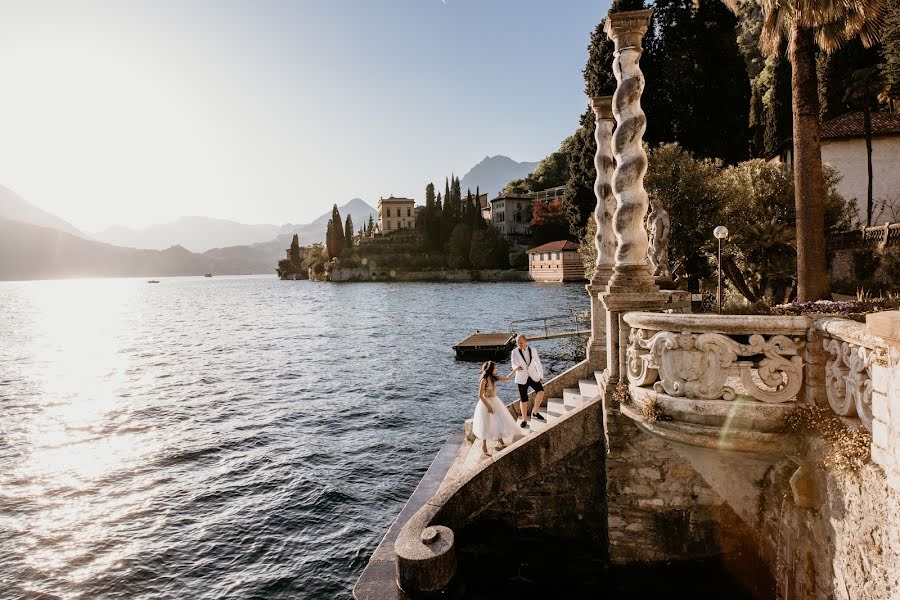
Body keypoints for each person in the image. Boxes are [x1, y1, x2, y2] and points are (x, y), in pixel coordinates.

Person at [472, 361, 520, 457]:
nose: (496, 369)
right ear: (491, 369)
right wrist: (488, 406)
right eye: (495, 368)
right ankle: (484, 446)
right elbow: (480, 396)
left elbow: (507, 378)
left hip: (495, 401)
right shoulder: (484, 380)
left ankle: (500, 439)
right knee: (485, 424)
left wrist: (515, 370)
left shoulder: (493, 378)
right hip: (485, 403)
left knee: (498, 420)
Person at [510, 334, 545, 428]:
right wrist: (515, 367)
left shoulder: (533, 350)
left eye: (521, 342)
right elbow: (513, 363)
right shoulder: (514, 352)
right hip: (521, 377)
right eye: (517, 343)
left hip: (533, 376)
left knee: (541, 392)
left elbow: (538, 363)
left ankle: (535, 411)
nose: (519, 344)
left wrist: (541, 375)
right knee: (523, 399)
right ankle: (524, 419)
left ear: (526, 342)